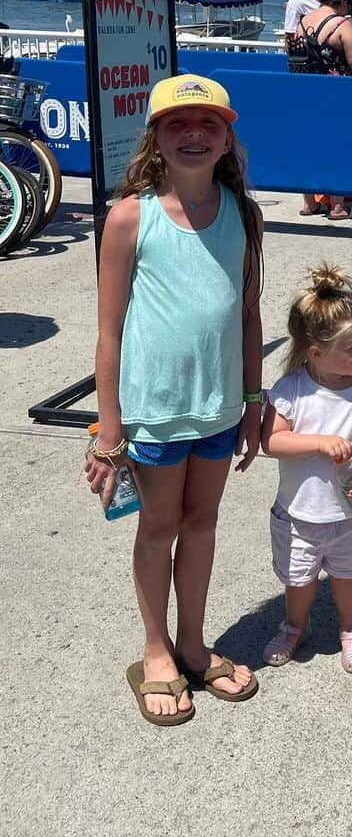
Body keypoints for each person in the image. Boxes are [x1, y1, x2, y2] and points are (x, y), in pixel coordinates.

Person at [85, 74, 263, 725]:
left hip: (218, 408)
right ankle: (155, 649)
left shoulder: (244, 213)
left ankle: (193, 641)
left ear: (226, 137)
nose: (193, 135)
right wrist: (109, 430)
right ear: (156, 137)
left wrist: (253, 398)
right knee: (158, 526)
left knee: (203, 523)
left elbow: (247, 313)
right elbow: (108, 332)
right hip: (154, 413)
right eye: (177, 124)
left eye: (207, 124)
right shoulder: (132, 215)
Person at [261, 265, 352, 674]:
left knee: (349, 575)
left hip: (351, 513)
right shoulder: (292, 390)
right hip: (300, 513)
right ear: (316, 352)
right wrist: (318, 442)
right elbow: (273, 441)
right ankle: (293, 626)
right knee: (298, 579)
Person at [297, 0, 352, 219]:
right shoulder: (342, 25)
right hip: (337, 96)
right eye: (348, 8)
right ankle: (338, 207)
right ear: (343, 3)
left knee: (308, 146)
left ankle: (310, 203)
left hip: (307, 93)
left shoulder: (302, 22)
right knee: (339, 147)